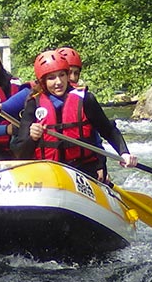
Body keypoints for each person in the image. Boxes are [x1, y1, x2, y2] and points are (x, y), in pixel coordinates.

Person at [10, 49, 138, 184]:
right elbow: (20, 153)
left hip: (83, 170)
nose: (58, 82)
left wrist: (124, 153)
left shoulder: (85, 99)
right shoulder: (33, 104)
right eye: (51, 78)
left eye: (62, 75)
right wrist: (32, 138)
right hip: (48, 170)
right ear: (43, 82)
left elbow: (108, 130)